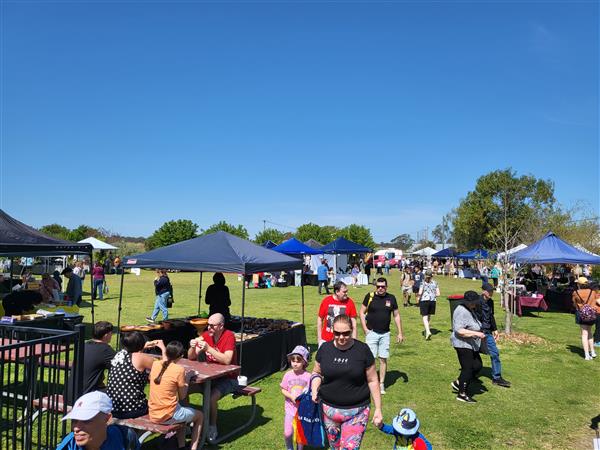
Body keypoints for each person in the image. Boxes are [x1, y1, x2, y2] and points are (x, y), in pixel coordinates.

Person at [310, 314, 382, 450]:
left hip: (357, 412)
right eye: (337, 333)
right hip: (329, 410)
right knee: (334, 447)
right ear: (332, 330)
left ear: (352, 330)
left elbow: (372, 380)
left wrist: (378, 409)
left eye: (346, 333)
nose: (341, 337)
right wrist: (314, 389)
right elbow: (316, 373)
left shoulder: (363, 350)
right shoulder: (325, 349)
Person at [188, 313, 238, 443]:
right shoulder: (206, 335)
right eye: (208, 325)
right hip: (210, 377)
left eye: (212, 325)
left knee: (210, 397)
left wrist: (209, 348)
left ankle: (212, 426)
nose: (208, 328)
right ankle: (186, 422)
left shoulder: (229, 336)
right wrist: (192, 347)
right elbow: (191, 357)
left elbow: (227, 360)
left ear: (221, 326)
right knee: (183, 388)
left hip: (229, 378)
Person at [149, 341, 203, 450]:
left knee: (182, 412)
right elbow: (183, 396)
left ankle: (181, 446)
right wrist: (188, 377)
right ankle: (194, 447)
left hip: (154, 412)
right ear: (181, 356)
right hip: (168, 415)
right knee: (200, 415)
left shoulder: (155, 364)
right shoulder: (179, 370)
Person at [359, 277, 404, 395]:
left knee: (383, 359)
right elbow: (361, 312)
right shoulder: (369, 296)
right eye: (378, 286)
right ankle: (369, 381)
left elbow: (396, 316)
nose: (380, 288)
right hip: (371, 332)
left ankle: (381, 383)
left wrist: (400, 332)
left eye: (382, 286)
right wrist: (364, 328)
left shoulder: (391, 298)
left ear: (386, 287)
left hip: (385, 333)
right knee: (370, 359)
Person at [107, 332, 166, 419]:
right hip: (131, 409)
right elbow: (165, 367)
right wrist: (163, 348)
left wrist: (142, 347)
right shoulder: (141, 358)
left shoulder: (119, 355)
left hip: (113, 406)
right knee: (163, 407)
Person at [57, 391, 140, 450]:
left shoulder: (126, 437)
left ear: (107, 419)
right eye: (74, 421)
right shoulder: (69, 445)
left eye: (86, 420)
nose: (76, 428)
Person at [450, 291, 485, 403]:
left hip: (471, 343)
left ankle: (458, 382)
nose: (476, 304)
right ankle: (462, 394)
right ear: (469, 302)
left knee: (477, 365)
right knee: (468, 368)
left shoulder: (470, 309)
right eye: (475, 302)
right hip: (462, 344)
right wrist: (476, 334)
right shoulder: (461, 311)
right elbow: (459, 330)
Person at [478, 283, 511, 387]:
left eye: (492, 291)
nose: (491, 293)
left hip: (487, 332)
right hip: (477, 332)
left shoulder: (490, 302)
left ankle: (496, 377)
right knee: (473, 353)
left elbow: (491, 316)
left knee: (495, 353)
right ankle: (471, 373)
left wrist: (495, 329)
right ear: (484, 291)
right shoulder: (477, 301)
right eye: (489, 291)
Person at [280, 345, 311, 450]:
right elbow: (283, 389)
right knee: (287, 432)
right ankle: (289, 448)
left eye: (298, 360)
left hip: (302, 411)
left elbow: (311, 391)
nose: (295, 363)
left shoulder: (308, 376)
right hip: (290, 409)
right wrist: (291, 396)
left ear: (304, 362)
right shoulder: (287, 375)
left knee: (300, 435)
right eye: (293, 360)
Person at [80, 322, 116, 395]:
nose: (111, 335)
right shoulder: (105, 350)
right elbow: (122, 365)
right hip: (86, 397)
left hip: (70, 394)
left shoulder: (84, 345)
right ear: (106, 335)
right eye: (111, 333)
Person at [317, 281, 358, 346]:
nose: (346, 293)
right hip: (326, 340)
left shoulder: (350, 302)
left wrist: (354, 341)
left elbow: (354, 324)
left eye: (347, 291)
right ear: (337, 292)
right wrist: (319, 339)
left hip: (343, 341)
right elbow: (320, 319)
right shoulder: (326, 301)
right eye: (344, 292)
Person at [572, 277, 599, 360]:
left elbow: (574, 304)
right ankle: (593, 352)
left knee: (584, 334)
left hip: (581, 314)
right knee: (590, 333)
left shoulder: (575, 292)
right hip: (591, 314)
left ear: (579, 284)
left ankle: (587, 355)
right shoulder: (593, 292)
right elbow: (595, 302)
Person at [417, 272, 440, 340]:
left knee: (424, 317)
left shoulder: (423, 283)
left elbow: (420, 292)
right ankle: (427, 330)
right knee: (428, 317)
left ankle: (427, 331)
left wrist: (418, 297)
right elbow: (438, 294)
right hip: (433, 301)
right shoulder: (435, 283)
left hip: (424, 300)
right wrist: (432, 295)